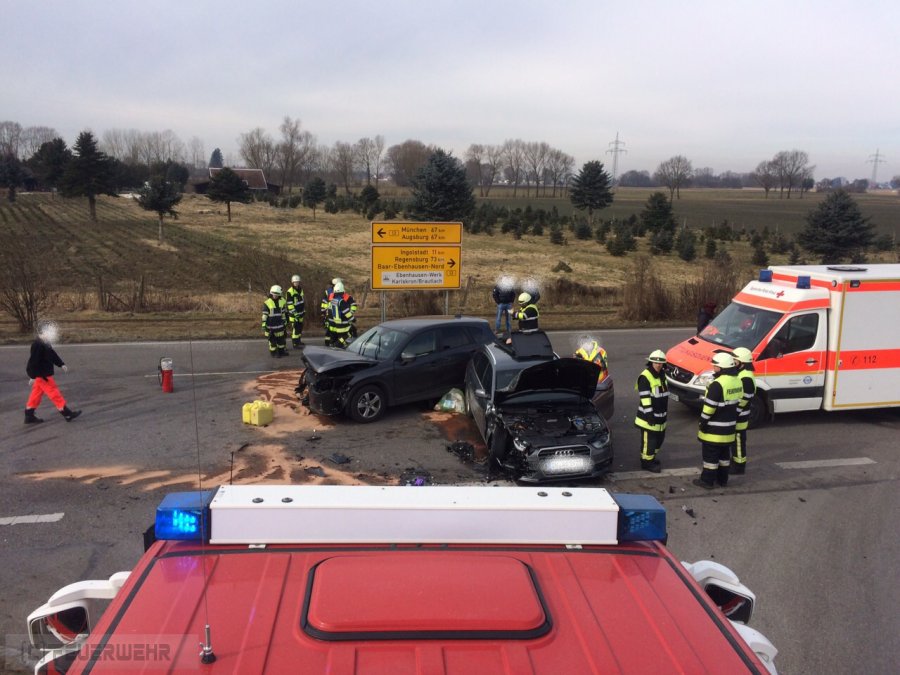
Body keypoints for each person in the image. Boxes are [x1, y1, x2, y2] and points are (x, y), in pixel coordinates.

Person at [694, 352, 743, 489]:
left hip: (714, 430)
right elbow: (740, 403)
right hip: (729, 429)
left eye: (715, 366)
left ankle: (707, 481)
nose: (714, 368)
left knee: (710, 457)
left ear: (721, 368)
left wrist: (702, 422)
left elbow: (709, 408)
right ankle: (723, 480)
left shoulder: (717, 384)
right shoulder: (737, 381)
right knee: (724, 457)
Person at [25, 323, 81, 424]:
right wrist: (32, 376)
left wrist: (61, 364)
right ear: (42, 332)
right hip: (43, 376)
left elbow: (52, 354)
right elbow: (33, 361)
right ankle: (67, 413)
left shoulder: (45, 342)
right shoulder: (37, 345)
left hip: (41, 375)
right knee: (55, 394)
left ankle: (29, 415)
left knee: (35, 395)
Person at [634, 350, 668, 472]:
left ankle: (651, 458)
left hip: (661, 416)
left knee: (659, 439)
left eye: (660, 363)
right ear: (650, 362)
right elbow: (645, 398)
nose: (658, 365)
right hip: (648, 417)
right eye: (655, 363)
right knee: (649, 441)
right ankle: (646, 463)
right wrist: (649, 415)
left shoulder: (662, 375)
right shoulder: (645, 377)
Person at [732, 347, 756, 475]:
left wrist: (735, 412)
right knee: (736, 441)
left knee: (739, 441)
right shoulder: (742, 374)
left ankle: (739, 466)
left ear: (741, 362)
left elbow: (745, 397)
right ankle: (735, 461)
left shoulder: (745, 378)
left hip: (740, 416)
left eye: (735, 361)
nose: (733, 363)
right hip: (739, 414)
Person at [323, 280, 357, 348]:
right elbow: (346, 312)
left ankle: (333, 346)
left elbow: (329, 311)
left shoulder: (332, 301)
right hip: (342, 324)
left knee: (334, 337)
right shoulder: (341, 302)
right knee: (346, 336)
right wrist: (353, 319)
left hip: (333, 323)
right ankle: (338, 345)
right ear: (342, 292)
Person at [262, 285, 288, 357]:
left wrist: (285, 321)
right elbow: (265, 315)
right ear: (271, 293)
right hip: (271, 326)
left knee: (281, 341)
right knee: (272, 342)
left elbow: (283, 313)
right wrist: (264, 325)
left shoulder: (282, 301)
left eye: (277, 294)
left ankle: (281, 352)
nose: (275, 296)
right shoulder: (267, 303)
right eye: (274, 294)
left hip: (280, 325)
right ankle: (274, 353)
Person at [286, 274, 305, 348]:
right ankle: (295, 344)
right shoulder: (289, 292)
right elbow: (290, 304)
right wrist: (295, 313)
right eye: (295, 282)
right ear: (292, 282)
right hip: (294, 314)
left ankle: (299, 341)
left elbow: (302, 301)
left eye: (297, 282)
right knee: (295, 329)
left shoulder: (301, 289)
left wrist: (303, 310)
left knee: (300, 328)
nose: (296, 283)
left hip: (301, 313)